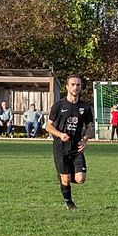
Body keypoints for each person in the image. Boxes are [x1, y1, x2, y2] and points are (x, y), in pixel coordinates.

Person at [45, 75, 94, 209]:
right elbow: (48, 126)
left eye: (78, 85)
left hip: (76, 148)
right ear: (67, 87)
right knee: (66, 179)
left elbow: (89, 127)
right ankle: (69, 202)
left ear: (80, 87)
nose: (75, 87)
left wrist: (85, 140)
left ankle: (63, 176)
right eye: (72, 84)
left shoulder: (85, 107)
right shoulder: (58, 105)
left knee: (80, 179)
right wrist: (60, 134)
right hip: (60, 147)